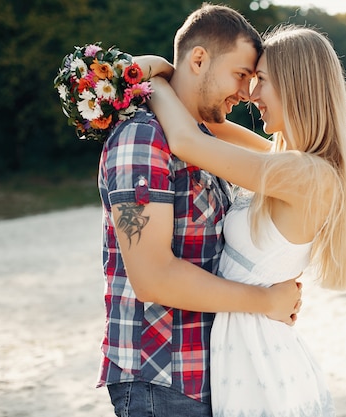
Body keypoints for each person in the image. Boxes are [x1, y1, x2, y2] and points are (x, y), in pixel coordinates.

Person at [146, 24, 346, 417]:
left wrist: (156, 83)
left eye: (261, 80)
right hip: (247, 345)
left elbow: (187, 142)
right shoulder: (288, 163)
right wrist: (168, 69)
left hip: (258, 354)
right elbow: (208, 125)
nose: (250, 94)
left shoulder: (305, 175)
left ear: (296, 86)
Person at [96, 5, 302, 417]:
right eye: (241, 75)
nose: (246, 92)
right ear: (198, 59)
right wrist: (265, 301)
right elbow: (153, 278)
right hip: (164, 379)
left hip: (211, 374)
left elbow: (281, 158)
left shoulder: (202, 140)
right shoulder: (143, 139)